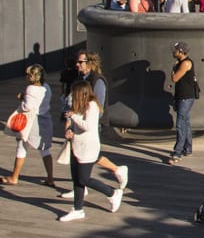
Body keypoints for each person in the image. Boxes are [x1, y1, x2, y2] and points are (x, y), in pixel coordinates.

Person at [63, 51, 128, 195]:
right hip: (77, 122)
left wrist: (82, 120)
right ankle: (79, 187)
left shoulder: (97, 80)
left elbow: (98, 107)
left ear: (90, 63)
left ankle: (116, 171)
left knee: (88, 156)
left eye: (80, 62)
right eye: (77, 61)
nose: (77, 64)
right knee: (80, 155)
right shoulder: (80, 78)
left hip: (90, 124)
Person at [60, 80, 122, 221]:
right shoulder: (78, 106)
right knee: (76, 179)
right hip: (76, 145)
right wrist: (70, 131)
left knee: (84, 178)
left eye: (74, 92)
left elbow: (87, 126)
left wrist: (73, 116)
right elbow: (76, 126)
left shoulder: (92, 106)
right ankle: (78, 209)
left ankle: (112, 193)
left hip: (88, 148)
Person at [2, 63, 54, 186]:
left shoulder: (30, 89)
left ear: (33, 76)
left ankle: (14, 177)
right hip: (45, 119)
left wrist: (22, 98)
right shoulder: (47, 87)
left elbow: (28, 107)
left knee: (21, 147)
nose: (26, 77)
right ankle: (50, 178)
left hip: (31, 122)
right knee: (45, 150)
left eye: (28, 75)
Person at [167, 42, 198, 164]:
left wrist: (173, 69)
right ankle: (188, 148)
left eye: (175, 50)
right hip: (182, 97)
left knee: (180, 123)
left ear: (181, 51)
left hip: (186, 98)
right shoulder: (182, 62)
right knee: (186, 122)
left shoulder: (185, 63)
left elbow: (175, 78)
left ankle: (177, 153)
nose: (173, 52)